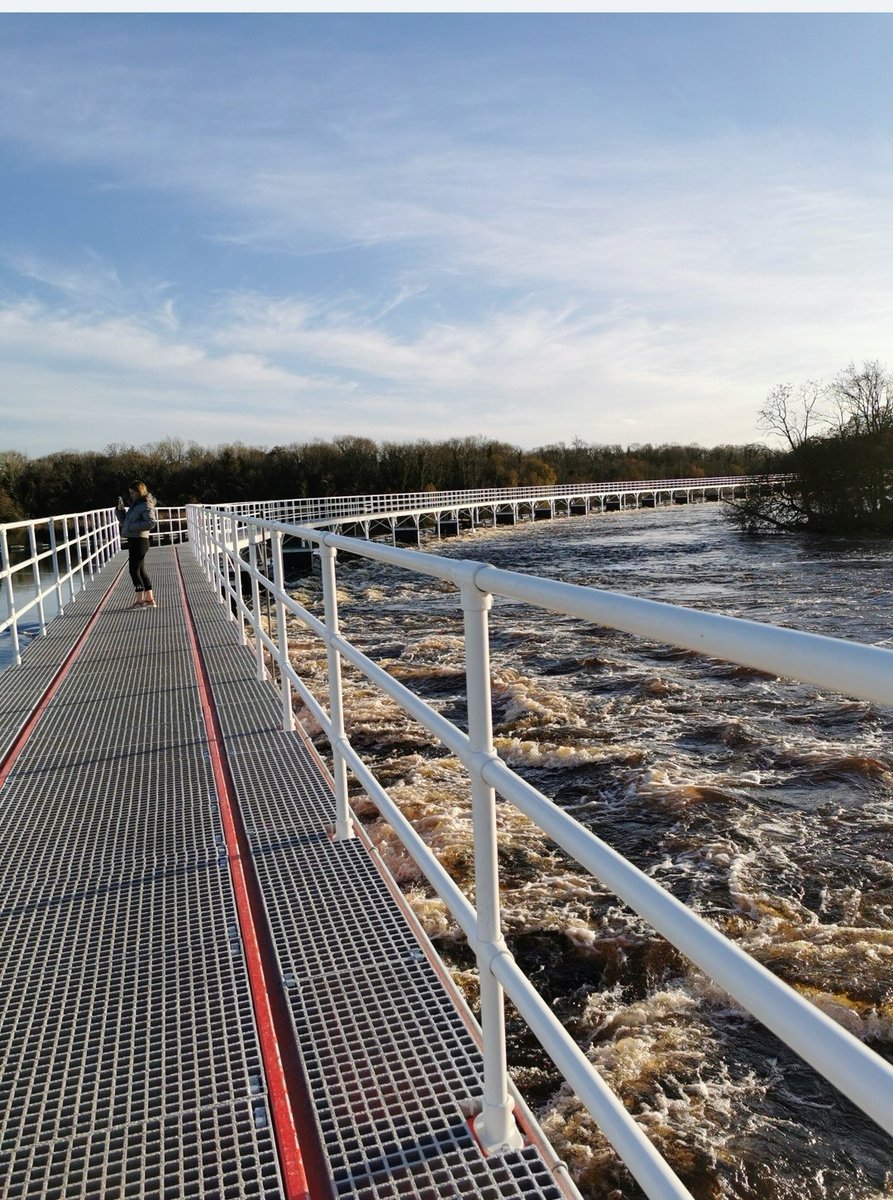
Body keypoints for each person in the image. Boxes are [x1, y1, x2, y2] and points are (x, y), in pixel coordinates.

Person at [117, 481, 158, 607]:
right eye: (130, 493)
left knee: (134, 571)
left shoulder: (145, 504)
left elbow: (151, 523)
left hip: (140, 541)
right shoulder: (135, 505)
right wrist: (120, 511)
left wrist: (133, 527)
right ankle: (150, 600)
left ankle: (140, 601)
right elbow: (125, 523)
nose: (132, 495)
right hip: (134, 540)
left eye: (133, 493)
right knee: (140, 570)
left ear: (140, 492)